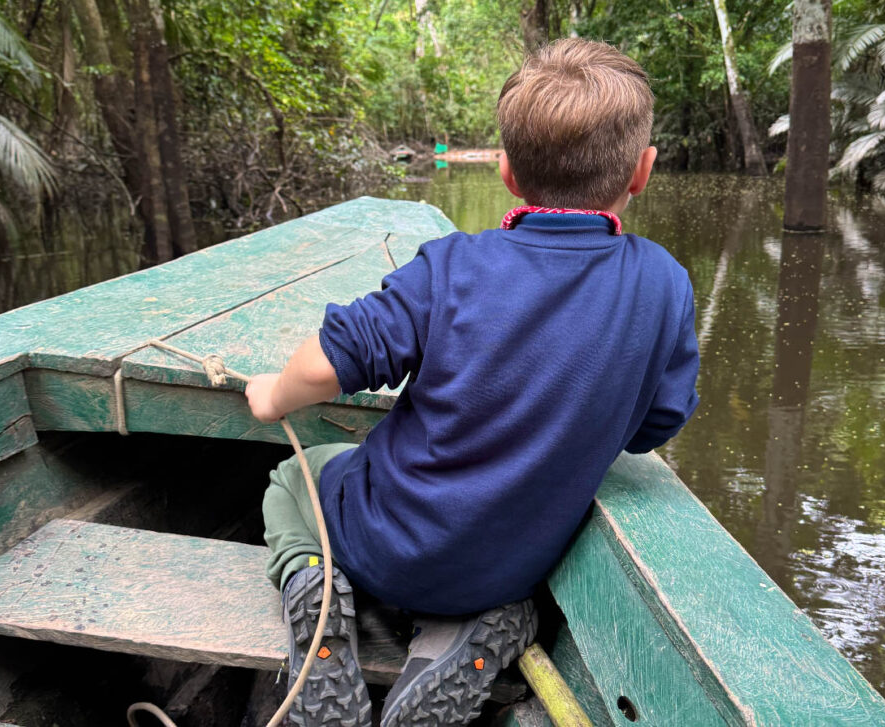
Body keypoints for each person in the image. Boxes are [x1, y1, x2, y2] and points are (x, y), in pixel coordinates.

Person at [245, 37, 700, 727]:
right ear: (642, 172)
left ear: (509, 172)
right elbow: (654, 426)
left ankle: (317, 599)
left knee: (292, 478)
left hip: (380, 543)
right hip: (507, 569)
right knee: (505, 593)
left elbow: (322, 363)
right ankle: (443, 647)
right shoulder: (663, 283)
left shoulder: (453, 267)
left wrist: (269, 396)